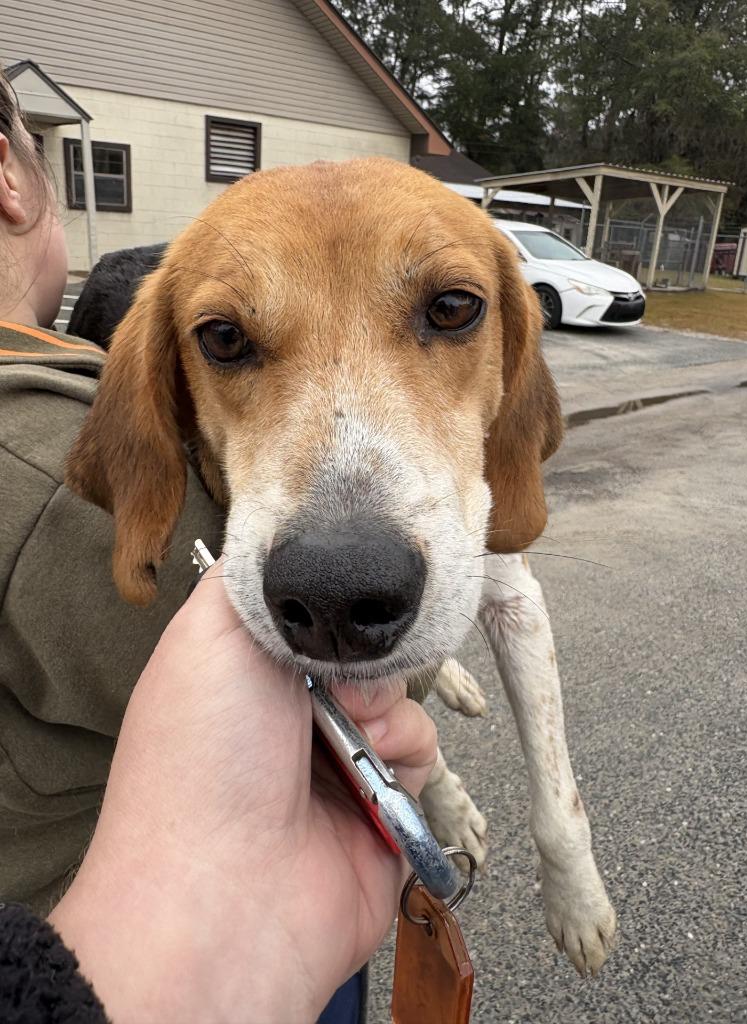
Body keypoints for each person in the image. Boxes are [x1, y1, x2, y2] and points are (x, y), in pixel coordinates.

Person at [0, 68, 438, 1021]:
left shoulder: (53, 364)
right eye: (230, 342)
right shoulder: (29, 463)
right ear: (10, 174)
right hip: (136, 941)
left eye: (445, 313)